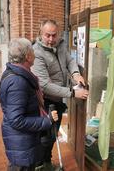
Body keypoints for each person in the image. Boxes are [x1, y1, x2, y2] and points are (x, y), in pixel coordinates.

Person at [31, 19, 89, 169]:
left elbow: (69, 61)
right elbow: (44, 86)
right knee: (46, 136)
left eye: (54, 35)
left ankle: (47, 162)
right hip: (46, 100)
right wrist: (72, 92)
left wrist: (76, 74)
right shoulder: (36, 53)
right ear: (40, 34)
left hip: (58, 98)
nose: (51, 39)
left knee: (51, 135)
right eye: (47, 35)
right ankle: (40, 165)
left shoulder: (61, 44)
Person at [0, 38, 58, 171]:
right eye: (32, 50)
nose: (35, 53)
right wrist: (46, 121)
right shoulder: (17, 81)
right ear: (27, 56)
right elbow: (16, 120)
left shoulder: (19, 73)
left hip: (22, 141)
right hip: (20, 143)